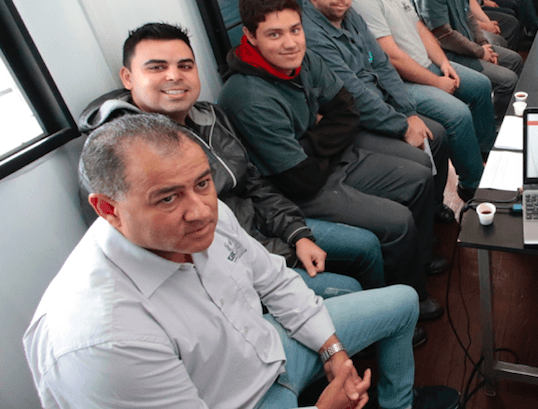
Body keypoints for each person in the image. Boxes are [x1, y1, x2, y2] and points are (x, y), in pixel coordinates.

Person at [26, 114, 460, 409]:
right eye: (168, 198)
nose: (201, 211)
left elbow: (274, 281)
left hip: (268, 352)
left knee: (402, 302)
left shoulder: (206, 213)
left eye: (202, 183)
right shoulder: (102, 339)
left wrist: (333, 351)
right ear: (109, 209)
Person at [76, 22, 386, 299]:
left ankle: (372, 325)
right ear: (128, 77)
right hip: (222, 268)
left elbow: (254, 183)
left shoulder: (211, 117)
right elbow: (165, 248)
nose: (174, 75)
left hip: (261, 231)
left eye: (185, 65)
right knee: (347, 288)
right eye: (157, 68)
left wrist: (297, 234)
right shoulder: (116, 152)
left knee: (366, 246)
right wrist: (278, 256)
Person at [219, 0, 446, 319]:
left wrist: (310, 141)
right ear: (251, 37)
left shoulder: (304, 60)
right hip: (297, 187)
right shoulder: (249, 98)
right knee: (395, 221)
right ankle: (405, 308)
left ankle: (417, 260)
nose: (290, 43)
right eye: (274, 34)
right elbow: (302, 180)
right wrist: (326, 135)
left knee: (419, 175)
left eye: (295, 30)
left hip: (323, 161)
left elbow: (347, 111)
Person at [301, 0, 459, 226]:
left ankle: (433, 207)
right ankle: (417, 228)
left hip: (379, 103)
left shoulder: (350, 16)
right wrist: (402, 125)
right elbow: (353, 94)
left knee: (438, 135)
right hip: (352, 121)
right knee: (418, 159)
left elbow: (382, 64)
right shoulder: (311, 35)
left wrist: (408, 111)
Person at [348, 0, 495, 201]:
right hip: (401, 81)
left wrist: (444, 63)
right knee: (458, 114)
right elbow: (392, 58)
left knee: (480, 85)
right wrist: (436, 82)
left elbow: (420, 28)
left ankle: (485, 154)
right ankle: (472, 185)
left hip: (427, 65)